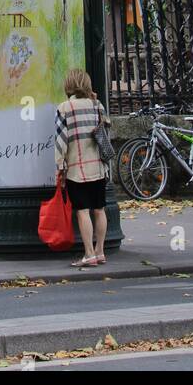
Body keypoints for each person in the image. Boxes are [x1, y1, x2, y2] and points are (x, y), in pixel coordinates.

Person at [54, 67, 110, 268]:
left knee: (83, 211)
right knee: (99, 209)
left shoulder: (64, 108)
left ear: (68, 85)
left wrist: (59, 168)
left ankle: (88, 254)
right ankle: (100, 251)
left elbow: (61, 141)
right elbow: (106, 129)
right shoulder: (97, 105)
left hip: (77, 169)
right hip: (98, 166)